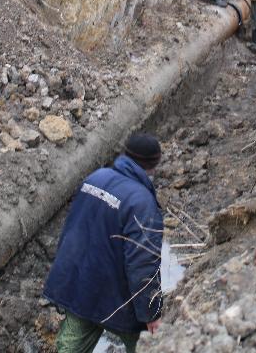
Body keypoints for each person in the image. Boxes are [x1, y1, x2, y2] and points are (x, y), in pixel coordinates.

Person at [44, 133, 164, 353]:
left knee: (69, 348)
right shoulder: (143, 203)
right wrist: (151, 313)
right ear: (153, 165)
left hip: (80, 287)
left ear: (125, 154)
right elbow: (143, 263)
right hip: (119, 301)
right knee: (146, 348)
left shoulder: (95, 178)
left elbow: (72, 230)